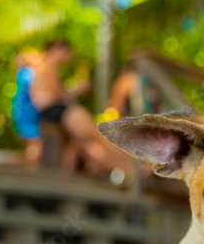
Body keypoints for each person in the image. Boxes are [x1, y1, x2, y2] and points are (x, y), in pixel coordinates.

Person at [30, 40, 131, 181]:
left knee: (90, 144)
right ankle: (131, 168)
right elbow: (56, 94)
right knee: (101, 138)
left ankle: (128, 169)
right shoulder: (47, 66)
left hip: (57, 113)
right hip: (61, 111)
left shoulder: (41, 67)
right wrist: (78, 89)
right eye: (67, 52)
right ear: (57, 49)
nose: (69, 56)